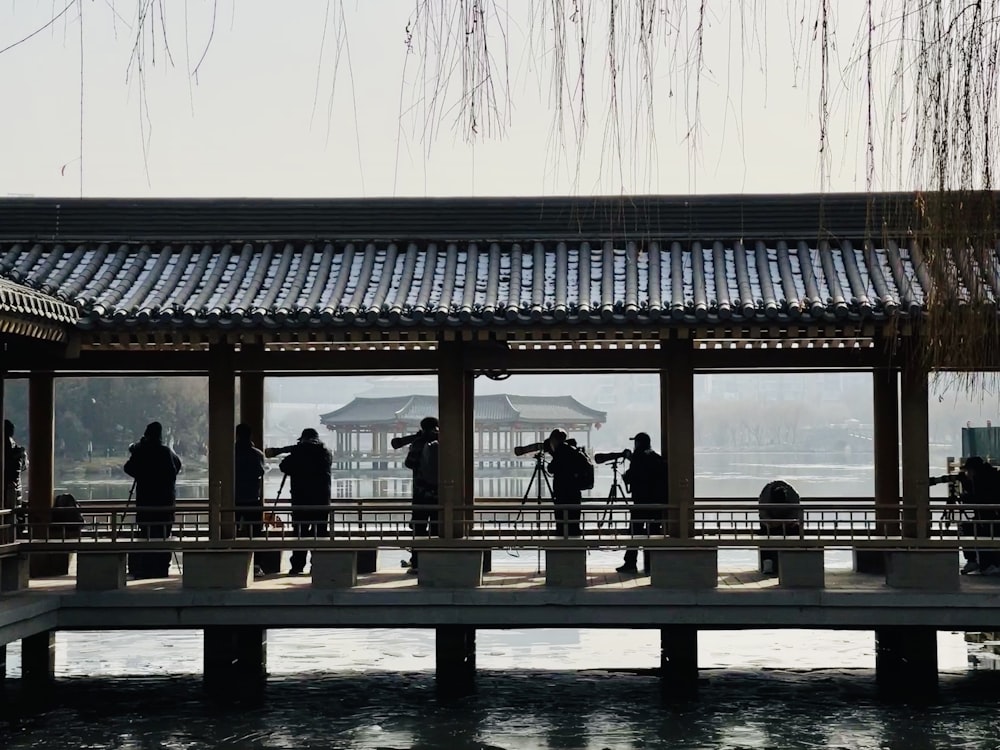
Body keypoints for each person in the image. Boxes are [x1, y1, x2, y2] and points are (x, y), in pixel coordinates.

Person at [123, 421, 182, 579]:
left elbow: (128, 468)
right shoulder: (166, 452)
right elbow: (178, 465)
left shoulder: (142, 451)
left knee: (146, 535)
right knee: (163, 536)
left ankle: (145, 569)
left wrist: (139, 454)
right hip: (166, 504)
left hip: (146, 503)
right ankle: (162, 569)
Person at [279, 427, 333, 575]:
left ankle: (297, 566)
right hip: (321, 501)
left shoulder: (298, 452)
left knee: (300, 534)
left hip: (300, 500)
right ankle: (320, 565)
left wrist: (296, 452)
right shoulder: (325, 452)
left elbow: (283, 466)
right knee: (320, 533)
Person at [617, 432, 668, 575]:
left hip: (640, 502)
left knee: (635, 532)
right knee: (653, 533)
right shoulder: (656, 457)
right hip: (656, 503)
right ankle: (651, 565)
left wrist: (626, 476)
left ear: (638, 443)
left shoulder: (638, 457)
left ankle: (630, 563)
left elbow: (634, 476)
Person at [404, 416, 439, 574]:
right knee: (438, 528)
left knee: (419, 528)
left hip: (420, 493)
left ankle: (417, 562)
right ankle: (437, 561)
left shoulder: (419, 442)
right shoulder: (444, 441)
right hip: (440, 494)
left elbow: (410, 463)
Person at [234, 423, 269, 576]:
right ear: (250, 436)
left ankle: (232, 562)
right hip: (253, 498)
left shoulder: (230, 452)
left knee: (230, 530)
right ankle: (256, 565)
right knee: (256, 532)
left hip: (233, 498)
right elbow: (260, 471)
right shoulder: (257, 454)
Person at [960, 457, 1000, 575]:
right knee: (967, 527)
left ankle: (990, 564)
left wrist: (966, 495)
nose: (968, 474)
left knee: (984, 533)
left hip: (992, 517)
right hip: (985, 517)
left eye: (968, 471)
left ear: (973, 470)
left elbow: (981, 497)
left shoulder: (985, 479)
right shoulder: (988, 476)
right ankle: (976, 561)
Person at [757, 479, 802, 575]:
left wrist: (786, 522)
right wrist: (771, 523)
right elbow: (763, 513)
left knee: (795, 532)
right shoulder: (766, 495)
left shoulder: (792, 496)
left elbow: (796, 513)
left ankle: (792, 563)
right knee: (765, 534)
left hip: (788, 524)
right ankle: (768, 563)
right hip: (770, 525)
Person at [546, 428, 583, 538]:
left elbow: (552, 468)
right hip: (575, 493)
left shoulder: (560, 451)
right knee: (574, 522)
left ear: (555, 440)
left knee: (562, 523)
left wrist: (552, 456)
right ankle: (575, 546)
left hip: (562, 494)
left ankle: (562, 544)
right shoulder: (572, 450)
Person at [3, 419, 28, 540]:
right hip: (15, 488)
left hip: (8, 489)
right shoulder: (18, 450)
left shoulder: (6, 449)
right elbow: (24, 466)